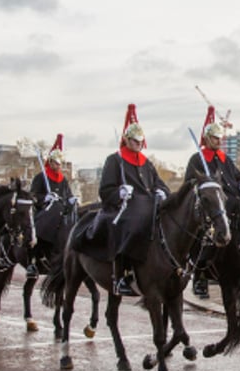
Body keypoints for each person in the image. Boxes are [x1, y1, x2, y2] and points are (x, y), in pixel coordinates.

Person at [78, 104, 169, 297]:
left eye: (140, 141)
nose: (138, 144)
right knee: (131, 223)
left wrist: (161, 191)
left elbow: (158, 184)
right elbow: (105, 190)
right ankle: (121, 275)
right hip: (123, 208)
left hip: (148, 205)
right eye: (134, 141)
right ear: (126, 140)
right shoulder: (115, 160)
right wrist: (119, 192)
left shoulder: (147, 163)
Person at [184, 106, 240, 298]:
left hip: (233, 201)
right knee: (206, 234)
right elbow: (189, 183)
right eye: (215, 138)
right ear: (206, 138)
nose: (218, 141)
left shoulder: (225, 159)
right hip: (211, 205)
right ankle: (200, 275)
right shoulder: (197, 159)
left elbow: (239, 177)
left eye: (220, 138)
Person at [27, 134, 77, 279]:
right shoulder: (41, 177)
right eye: (56, 163)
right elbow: (34, 196)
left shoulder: (63, 180)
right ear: (50, 162)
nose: (58, 166)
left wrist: (71, 200)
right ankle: (33, 261)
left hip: (61, 213)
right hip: (44, 211)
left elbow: (67, 195)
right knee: (40, 228)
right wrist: (45, 198)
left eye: (60, 163)